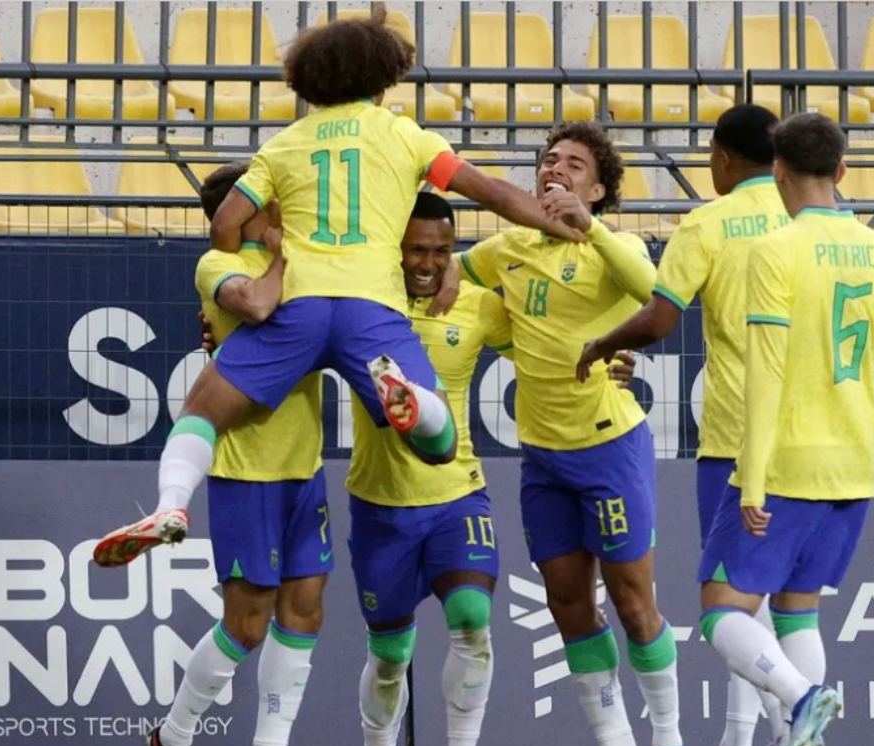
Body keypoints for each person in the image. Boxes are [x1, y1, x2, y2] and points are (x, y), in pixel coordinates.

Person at [92, 15, 584, 568]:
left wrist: (247, 264)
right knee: (438, 441)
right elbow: (487, 190)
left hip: (297, 306)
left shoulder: (283, 146)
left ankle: (171, 506)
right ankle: (409, 400)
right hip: (369, 308)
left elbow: (225, 220)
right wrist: (554, 222)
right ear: (381, 80)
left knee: (201, 410)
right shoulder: (403, 134)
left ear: (312, 80)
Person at [351, 192, 637, 746]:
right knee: (390, 654)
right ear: (393, 251)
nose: (427, 263)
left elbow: (545, 354)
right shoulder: (360, 307)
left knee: (472, 618)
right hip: (380, 501)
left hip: (459, 493)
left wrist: (614, 356)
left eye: (440, 250)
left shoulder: (480, 305)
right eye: (415, 251)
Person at [697, 112, 874, 746]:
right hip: (852, 467)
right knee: (797, 608)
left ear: (777, 173)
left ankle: (801, 702)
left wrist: (752, 478)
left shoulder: (774, 250)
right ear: (843, 173)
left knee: (719, 609)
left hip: (788, 461)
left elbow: (764, 374)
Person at [454, 122, 687, 746]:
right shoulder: (508, 248)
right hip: (542, 458)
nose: (555, 169)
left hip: (609, 447)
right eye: (548, 160)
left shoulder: (616, 246)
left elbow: (654, 290)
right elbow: (448, 282)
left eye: (574, 164)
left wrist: (591, 228)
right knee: (565, 601)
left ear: (599, 187)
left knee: (633, 600)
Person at [574, 104, 793, 746]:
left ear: (723, 159)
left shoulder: (707, 222)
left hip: (735, 433)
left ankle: (786, 728)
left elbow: (661, 316)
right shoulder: (809, 217)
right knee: (782, 603)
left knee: (729, 602)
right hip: (813, 433)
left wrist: (608, 341)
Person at [146, 164, 328, 746]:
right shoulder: (215, 266)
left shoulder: (295, 257)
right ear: (237, 213)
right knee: (246, 626)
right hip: (246, 470)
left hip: (305, 466)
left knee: (304, 611)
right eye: (264, 200)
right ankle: (172, 742)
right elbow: (257, 306)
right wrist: (283, 261)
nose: (277, 205)